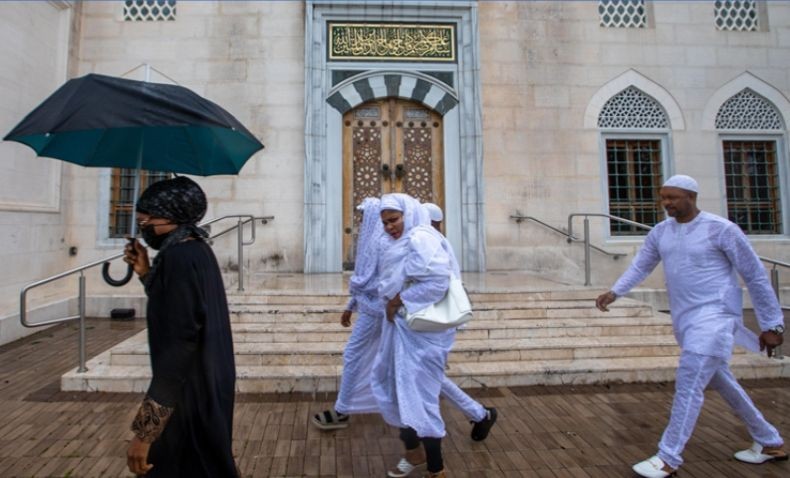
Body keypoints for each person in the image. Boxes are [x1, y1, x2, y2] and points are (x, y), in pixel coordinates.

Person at [595, 174, 786, 478]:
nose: (666, 203)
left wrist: (773, 324)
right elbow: (642, 264)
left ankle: (668, 456)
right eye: (663, 198)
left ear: (691, 197)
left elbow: (755, 275)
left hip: (715, 318)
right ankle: (769, 441)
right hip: (685, 320)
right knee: (720, 380)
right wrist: (616, 291)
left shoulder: (721, 229)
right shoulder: (661, 233)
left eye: (672, 197)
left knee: (688, 383)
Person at [312, 200, 497, 444]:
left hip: (390, 313)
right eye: (382, 221)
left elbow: (382, 279)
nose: (365, 222)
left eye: (364, 216)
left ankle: (346, 410)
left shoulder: (402, 241)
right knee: (417, 371)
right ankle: (475, 414)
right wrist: (354, 304)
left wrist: (386, 302)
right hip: (386, 310)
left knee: (370, 359)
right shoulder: (391, 240)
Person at [123, 176, 237, 477]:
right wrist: (147, 273)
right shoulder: (196, 250)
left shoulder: (179, 258)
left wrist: (146, 431)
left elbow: (179, 345)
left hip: (187, 400)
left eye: (147, 220)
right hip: (205, 387)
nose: (144, 228)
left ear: (172, 216)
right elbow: (178, 308)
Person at [372, 193, 458, 478]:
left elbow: (436, 283)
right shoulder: (393, 243)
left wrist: (397, 301)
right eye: (384, 222)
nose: (389, 227)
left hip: (423, 333)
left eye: (394, 220)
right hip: (401, 329)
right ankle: (414, 452)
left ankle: (437, 468)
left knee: (421, 397)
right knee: (398, 391)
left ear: (409, 214)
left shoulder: (422, 238)